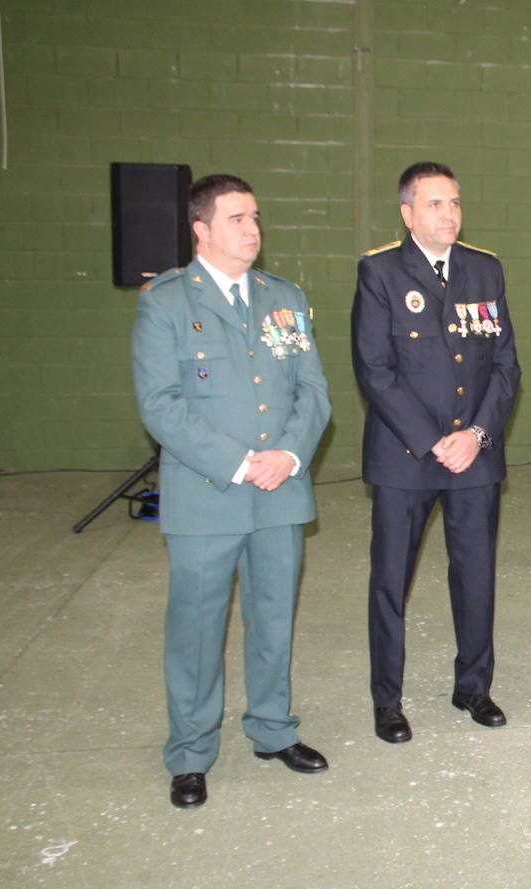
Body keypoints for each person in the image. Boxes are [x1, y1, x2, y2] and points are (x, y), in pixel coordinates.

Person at [131, 174, 332, 809]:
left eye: (255, 218)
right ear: (201, 229)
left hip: (280, 489)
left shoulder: (284, 298)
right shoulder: (166, 302)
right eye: (237, 219)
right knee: (196, 627)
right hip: (207, 493)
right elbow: (160, 406)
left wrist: (290, 453)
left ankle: (273, 730)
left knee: (273, 617)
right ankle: (191, 752)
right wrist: (243, 462)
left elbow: (313, 391)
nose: (252, 230)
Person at [351, 161, 521, 739]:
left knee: (475, 575)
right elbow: (375, 371)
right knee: (391, 580)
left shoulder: (485, 270)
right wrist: (433, 441)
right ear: (407, 213)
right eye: (434, 204)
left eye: (454, 202)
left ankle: (474, 687)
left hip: (474, 457)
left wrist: (474, 435)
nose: (448, 214)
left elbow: (505, 367)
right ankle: (387, 700)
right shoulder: (379, 271)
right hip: (405, 458)